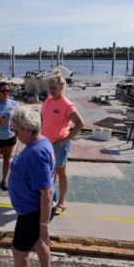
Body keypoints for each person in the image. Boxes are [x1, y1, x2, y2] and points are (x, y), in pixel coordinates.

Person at [0, 106, 56, 267]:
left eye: (17, 132)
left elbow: (47, 191)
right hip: (33, 210)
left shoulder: (36, 152)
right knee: (38, 242)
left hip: (32, 212)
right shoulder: (41, 142)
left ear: (28, 129)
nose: (15, 136)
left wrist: (43, 224)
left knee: (20, 253)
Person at [41, 70, 84, 214]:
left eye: (54, 88)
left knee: (60, 171)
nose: (51, 90)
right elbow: (44, 120)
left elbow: (80, 124)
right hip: (46, 142)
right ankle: (49, 197)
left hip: (59, 144)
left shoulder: (67, 105)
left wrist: (64, 141)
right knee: (49, 172)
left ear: (61, 88)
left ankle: (61, 202)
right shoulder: (48, 101)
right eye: (50, 88)